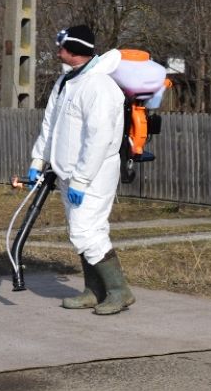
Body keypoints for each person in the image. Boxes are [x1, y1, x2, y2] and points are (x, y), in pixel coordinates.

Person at [27, 24, 134, 315]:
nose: (57, 51)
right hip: (68, 173)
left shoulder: (99, 86)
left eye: (62, 47)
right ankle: (94, 290)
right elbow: (50, 125)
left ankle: (119, 291)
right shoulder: (66, 82)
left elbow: (98, 139)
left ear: (75, 51)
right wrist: (38, 160)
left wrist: (82, 180)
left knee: (85, 231)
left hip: (93, 175)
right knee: (88, 231)